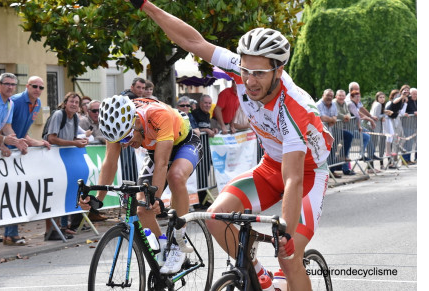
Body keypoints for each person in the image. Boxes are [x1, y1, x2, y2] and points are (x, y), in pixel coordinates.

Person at [127, 2, 333, 289]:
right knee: (215, 218)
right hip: (271, 166)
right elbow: (191, 40)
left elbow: (294, 179)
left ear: (279, 69)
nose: (249, 81)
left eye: (259, 74)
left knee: (289, 256)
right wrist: (145, 5)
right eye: (246, 71)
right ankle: (260, 276)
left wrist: (284, 231)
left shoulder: (295, 108)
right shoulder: (241, 68)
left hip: (307, 174)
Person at [79, 95, 203, 274]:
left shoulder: (159, 116)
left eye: (127, 137)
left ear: (135, 121)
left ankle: (178, 243)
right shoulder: (116, 123)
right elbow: (110, 162)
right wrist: (98, 199)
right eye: (121, 140)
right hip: (155, 149)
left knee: (175, 177)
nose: (126, 144)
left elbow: (161, 164)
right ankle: (162, 248)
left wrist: (157, 198)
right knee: (142, 208)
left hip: (183, 143)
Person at [2, 76, 52, 245]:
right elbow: (3, 126)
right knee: (7, 193)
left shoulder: (37, 104)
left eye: (41, 87)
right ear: (27, 86)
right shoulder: (14, 101)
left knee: (16, 192)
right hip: (4, 151)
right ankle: (6, 234)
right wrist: (15, 143)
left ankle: (11, 233)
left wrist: (39, 142)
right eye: (34, 86)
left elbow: (24, 132)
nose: (38, 89)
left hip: (18, 152)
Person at [0, 73, 29, 244]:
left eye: (13, 84)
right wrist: (2, 140)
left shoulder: (10, 103)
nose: (10, 87)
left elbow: (6, 127)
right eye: (6, 84)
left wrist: (15, 142)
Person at [44, 92, 89, 240]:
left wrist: (79, 141)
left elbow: (71, 137)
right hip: (51, 158)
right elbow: (52, 138)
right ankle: (50, 231)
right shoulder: (58, 115)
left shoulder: (75, 117)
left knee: (64, 192)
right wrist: (74, 143)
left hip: (64, 159)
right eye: (71, 101)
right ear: (65, 103)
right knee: (54, 193)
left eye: (77, 102)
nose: (74, 104)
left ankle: (61, 227)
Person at [347, 90, 379, 166]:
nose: (358, 98)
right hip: (350, 128)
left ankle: (370, 153)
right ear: (351, 97)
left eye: (359, 97)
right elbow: (357, 116)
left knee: (367, 133)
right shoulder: (351, 104)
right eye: (356, 97)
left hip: (355, 126)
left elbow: (360, 112)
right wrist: (370, 119)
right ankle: (361, 155)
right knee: (366, 136)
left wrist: (370, 117)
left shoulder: (356, 104)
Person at [316, 89, 340, 178]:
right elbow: (321, 117)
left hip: (330, 132)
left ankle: (332, 170)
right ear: (323, 95)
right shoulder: (318, 105)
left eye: (331, 96)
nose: (329, 97)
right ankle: (322, 173)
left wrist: (332, 119)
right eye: (327, 95)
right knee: (322, 153)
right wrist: (332, 120)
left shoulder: (333, 104)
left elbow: (335, 116)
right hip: (320, 134)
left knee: (331, 151)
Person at [332, 90, 355, 176]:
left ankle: (343, 155)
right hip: (333, 128)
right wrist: (344, 117)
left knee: (348, 136)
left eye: (343, 96)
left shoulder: (344, 103)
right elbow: (336, 113)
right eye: (339, 96)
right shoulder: (334, 103)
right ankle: (332, 169)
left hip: (340, 128)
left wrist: (348, 116)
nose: (341, 97)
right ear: (336, 96)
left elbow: (347, 112)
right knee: (333, 149)